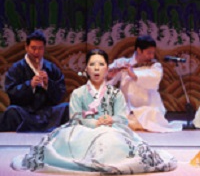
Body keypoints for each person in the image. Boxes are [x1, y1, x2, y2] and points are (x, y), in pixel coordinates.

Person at [12, 48, 177, 174]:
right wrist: (93, 122)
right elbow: (75, 118)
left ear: (107, 68)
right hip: (82, 130)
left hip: (111, 130)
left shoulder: (115, 93)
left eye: (101, 64)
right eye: (92, 64)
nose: (97, 69)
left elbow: (122, 118)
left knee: (110, 138)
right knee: (72, 140)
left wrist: (110, 120)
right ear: (87, 69)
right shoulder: (78, 93)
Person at [108, 35, 182, 132]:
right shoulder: (122, 63)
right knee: (113, 114)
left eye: (153, 53)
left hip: (148, 107)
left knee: (149, 115)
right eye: (149, 53)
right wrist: (109, 76)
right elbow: (106, 80)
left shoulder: (155, 66)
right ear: (139, 50)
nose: (151, 56)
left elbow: (153, 78)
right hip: (127, 108)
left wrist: (134, 75)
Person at [0, 30, 69, 132]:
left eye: (40, 48)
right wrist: (30, 85)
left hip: (47, 113)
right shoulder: (17, 68)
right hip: (25, 112)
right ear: (26, 47)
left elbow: (61, 93)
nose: (36, 52)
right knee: (12, 111)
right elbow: (11, 92)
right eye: (33, 48)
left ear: (44, 49)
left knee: (66, 108)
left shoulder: (51, 68)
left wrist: (48, 84)